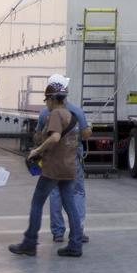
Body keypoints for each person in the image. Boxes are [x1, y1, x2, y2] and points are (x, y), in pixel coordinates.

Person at [9, 80, 86, 258]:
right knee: (70, 205)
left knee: (37, 202)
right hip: (69, 167)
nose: (47, 104)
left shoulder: (56, 114)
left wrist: (37, 150)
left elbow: (55, 137)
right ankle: (75, 244)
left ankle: (29, 243)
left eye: (47, 100)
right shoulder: (70, 115)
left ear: (52, 99)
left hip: (54, 168)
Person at [35, 73, 91, 244]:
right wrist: (89, 129)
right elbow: (85, 134)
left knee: (54, 193)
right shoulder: (76, 111)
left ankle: (58, 232)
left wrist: (39, 148)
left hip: (52, 161)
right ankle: (78, 230)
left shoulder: (44, 113)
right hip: (72, 160)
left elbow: (38, 136)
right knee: (77, 193)